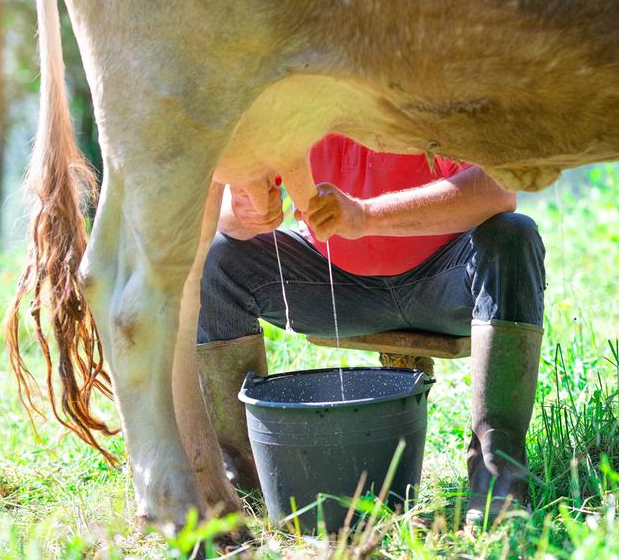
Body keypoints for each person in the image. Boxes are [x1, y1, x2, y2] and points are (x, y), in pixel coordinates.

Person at [191, 133, 545, 527]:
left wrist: (366, 215)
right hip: (333, 283)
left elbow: (498, 191)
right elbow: (227, 213)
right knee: (217, 258)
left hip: (446, 279)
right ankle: (245, 485)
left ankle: (498, 479)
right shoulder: (294, 96)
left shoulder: (422, 79)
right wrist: (243, 210)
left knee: (514, 234)